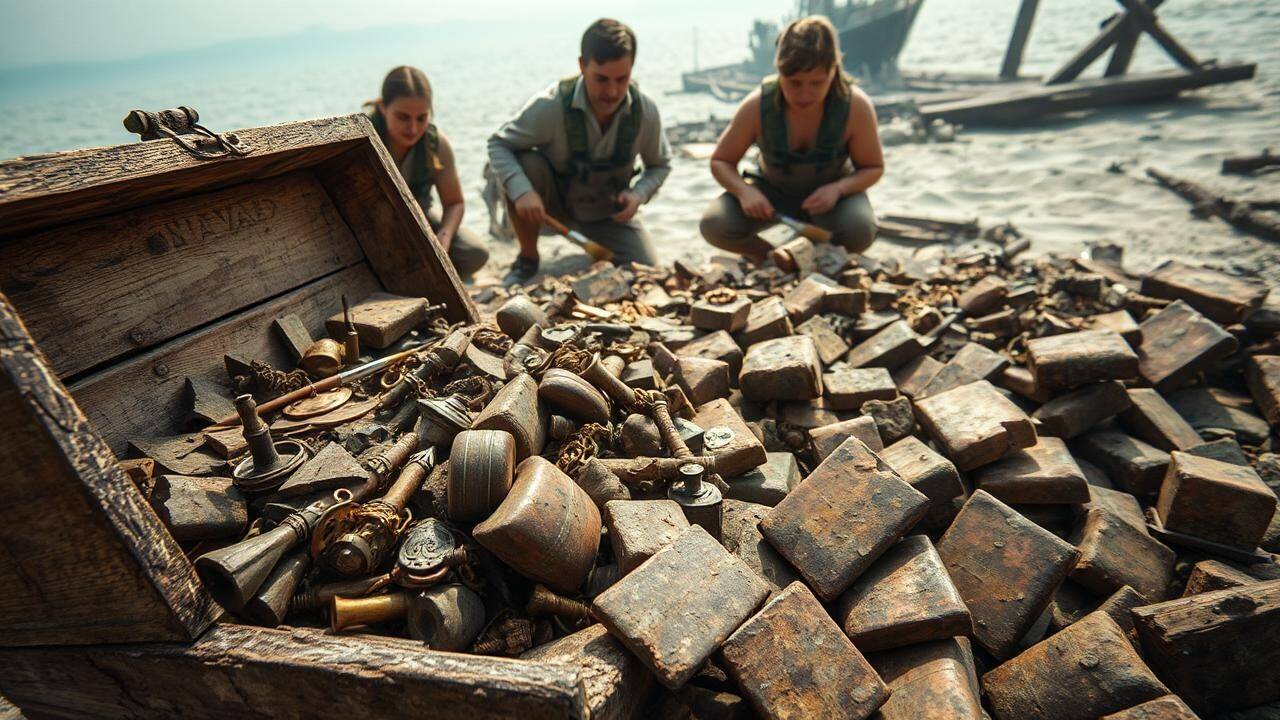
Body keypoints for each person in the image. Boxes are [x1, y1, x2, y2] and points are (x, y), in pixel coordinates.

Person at [487, 18, 672, 286]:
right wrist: (522, 192)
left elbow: (660, 165)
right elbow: (499, 144)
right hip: (551, 209)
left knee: (645, 270)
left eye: (622, 79)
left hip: (607, 214)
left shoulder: (645, 111)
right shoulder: (550, 105)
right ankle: (527, 259)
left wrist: (638, 195)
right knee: (526, 163)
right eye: (602, 79)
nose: (612, 91)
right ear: (582, 65)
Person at [700, 16, 884, 263]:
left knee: (860, 230)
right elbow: (721, 161)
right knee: (714, 225)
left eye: (817, 83)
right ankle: (771, 258)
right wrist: (745, 192)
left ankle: (819, 257)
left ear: (833, 70)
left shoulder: (855, 106)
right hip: (772, 196)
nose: (805, 94)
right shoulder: (757, 105)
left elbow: (873, 168)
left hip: (830, 199)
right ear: (779, 71)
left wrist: (838, 189)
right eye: (794, 83)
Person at [366, 66, 489, 280]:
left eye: (422, 118)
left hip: (420, 219)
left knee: (475, 254)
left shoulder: (436, 144)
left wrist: (444, 236)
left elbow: (454, 203)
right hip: (372, 226)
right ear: (383, 108)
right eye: (403, 117)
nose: (413, 129)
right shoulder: (363, 139)